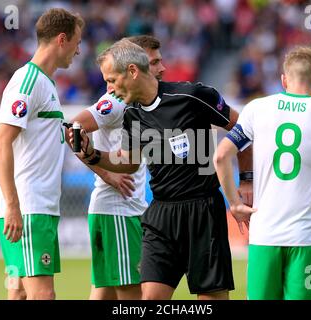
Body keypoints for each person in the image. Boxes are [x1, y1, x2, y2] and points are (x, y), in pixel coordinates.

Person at [69, 39, 253, 300]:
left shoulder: (193, 96)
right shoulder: (132, 113)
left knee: (211, 298)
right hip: (160, 213)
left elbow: (242, 129)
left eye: (112, 79)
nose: (109, 88)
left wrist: (246, 179)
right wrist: (93, 154)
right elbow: (129, 162)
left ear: (132, 71)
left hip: (202, 211)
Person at [214, 46, 311, 300]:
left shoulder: (257, 108)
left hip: (264, 234)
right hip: (307, 237)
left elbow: (221, 156)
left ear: (284, 80)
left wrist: (235, 203)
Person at [0, 8, 84, 300]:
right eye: (76, 42)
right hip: (29, 207)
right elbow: (0, 143)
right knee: (43, 295)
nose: (79, 50)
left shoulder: (46, 83)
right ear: (61, 39)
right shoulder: (28, 81)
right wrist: (13, 206)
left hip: (35, 205)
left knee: (17, 291)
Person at [68, 35, 166, 300]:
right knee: (132, 294)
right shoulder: (114, 103)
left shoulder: (137, 103)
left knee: (104, 293)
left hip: (116, 211)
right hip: (118, 211)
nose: (161, 68)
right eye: (154, 61)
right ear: (135, 65)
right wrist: (107, 173)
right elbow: (70, 128)